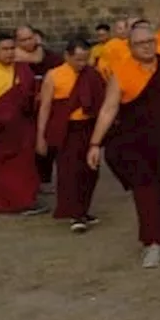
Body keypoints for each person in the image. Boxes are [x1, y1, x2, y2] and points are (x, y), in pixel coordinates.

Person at [87, 21, 160, 269]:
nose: (147, 47)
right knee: (145, 191)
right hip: (137, 143)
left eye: (150, 42)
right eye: (140, 43)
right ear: (130, 46)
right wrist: (95, 143)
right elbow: (109, 109)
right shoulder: (122, 72)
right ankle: (152, 242)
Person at [0, 31, 46, 216]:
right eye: (5, 49)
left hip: (20, 127)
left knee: (24, 164)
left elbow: (29, 95)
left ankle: (26, 202)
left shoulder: (23, 69)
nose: (9, 53)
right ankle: (0, 204)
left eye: (12, 48)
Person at [36, 39, 106, 232]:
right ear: (67, 56)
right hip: (67, 130)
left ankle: (83, 209)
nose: (82, 64)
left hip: (88, 128)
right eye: (77, 60)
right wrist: (41, 135)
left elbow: (102, 103)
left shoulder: (92, 74)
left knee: (90, 171)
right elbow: (46, 107)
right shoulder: (54, 76)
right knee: (70, 172)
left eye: (85, 59)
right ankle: (76, 214)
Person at [13, 25, 64, 197]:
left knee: (48, 143)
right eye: (23, 40)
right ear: (16, 42)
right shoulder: (11, 59)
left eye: (30, 38)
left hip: (48, 106)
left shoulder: (51, 57)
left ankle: (45, 179)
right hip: (23, 109)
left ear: (36, 37)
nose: (27, 43)